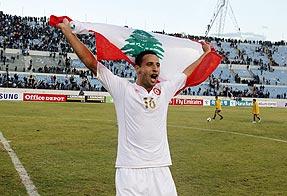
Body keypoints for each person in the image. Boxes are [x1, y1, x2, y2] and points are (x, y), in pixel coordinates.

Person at [57, 18, 212, 196]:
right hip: (130, 170)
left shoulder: (165, 89)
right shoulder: (123, 89)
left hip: (160, 169)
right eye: (150, 64)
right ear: (137, 68)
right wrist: (68, 32)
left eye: (158, 65)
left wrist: (205, 54)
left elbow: (186, 72)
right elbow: (91, 63)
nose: (155, 69)